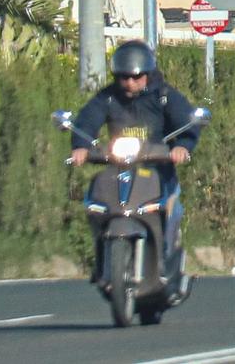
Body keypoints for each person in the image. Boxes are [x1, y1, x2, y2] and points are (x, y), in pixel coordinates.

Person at [69, 41, 202, 284]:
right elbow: (88, 119)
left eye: (136, 76)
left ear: (147, 74)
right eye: (123, 77)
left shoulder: (163, 96)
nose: (130, 82)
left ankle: (165, 259)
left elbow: (186, 119)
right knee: (95, 201)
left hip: (158, 171)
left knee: (168, 206)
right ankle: (101, 259)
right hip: (119, 169)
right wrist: (80, 145)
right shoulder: (108, 98)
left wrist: (183, 146)